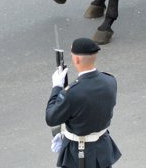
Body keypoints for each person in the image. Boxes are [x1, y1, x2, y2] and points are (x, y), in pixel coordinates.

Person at [45, 37, 121, 168]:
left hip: (79, 153)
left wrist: (57, 87)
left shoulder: (72, 93)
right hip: (102, 148)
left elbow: (51, 118)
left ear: (76, 59)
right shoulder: (110, 80)